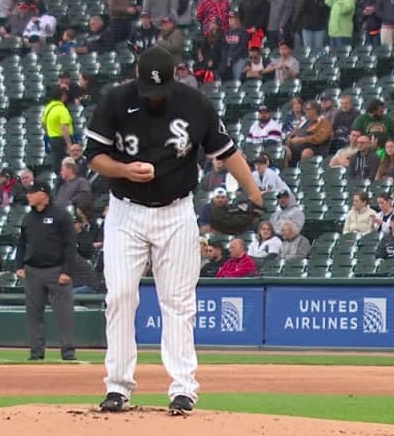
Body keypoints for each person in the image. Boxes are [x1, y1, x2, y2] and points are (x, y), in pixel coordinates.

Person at [84, 46, 263, 415]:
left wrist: (254, 193)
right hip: (125, 213)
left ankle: (183, 388)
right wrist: (124, 170)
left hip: (176, 212)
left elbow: (227, 151)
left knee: (178, 302)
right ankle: (117, 386)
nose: (156, 98)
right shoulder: (116, 102)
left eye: (162, 90)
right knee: (118, 296)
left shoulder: (193, 104)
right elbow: (94, 156)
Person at [14, 182, 78, 362]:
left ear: (43, 194)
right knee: (33, 313)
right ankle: (36, 352)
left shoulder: (60, 215)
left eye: (32, 193)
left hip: (56, 270)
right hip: (33, 270)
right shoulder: (28, 218)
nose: (29, 196)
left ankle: (68, 351)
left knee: (63, 313)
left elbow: (70, 245)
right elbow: (21, 244)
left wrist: (67, 271)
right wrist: (19, 265)